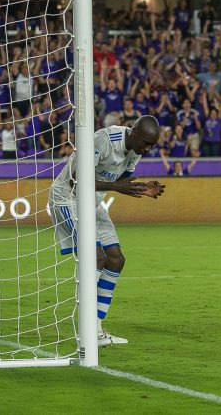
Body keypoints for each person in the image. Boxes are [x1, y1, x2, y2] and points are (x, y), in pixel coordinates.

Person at [48, 116, 164, 347]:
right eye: (146, 143)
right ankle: (86, 328)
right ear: (134, 132)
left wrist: (141, 188)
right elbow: (76, 179)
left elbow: (121, 179)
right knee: (96, 257)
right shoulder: (103, 140)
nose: (148, 149)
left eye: (152, 145)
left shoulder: (136, 150)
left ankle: (96, 329)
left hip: (91, 201)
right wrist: (116, 187)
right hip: (66, 199)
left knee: (116, 259)